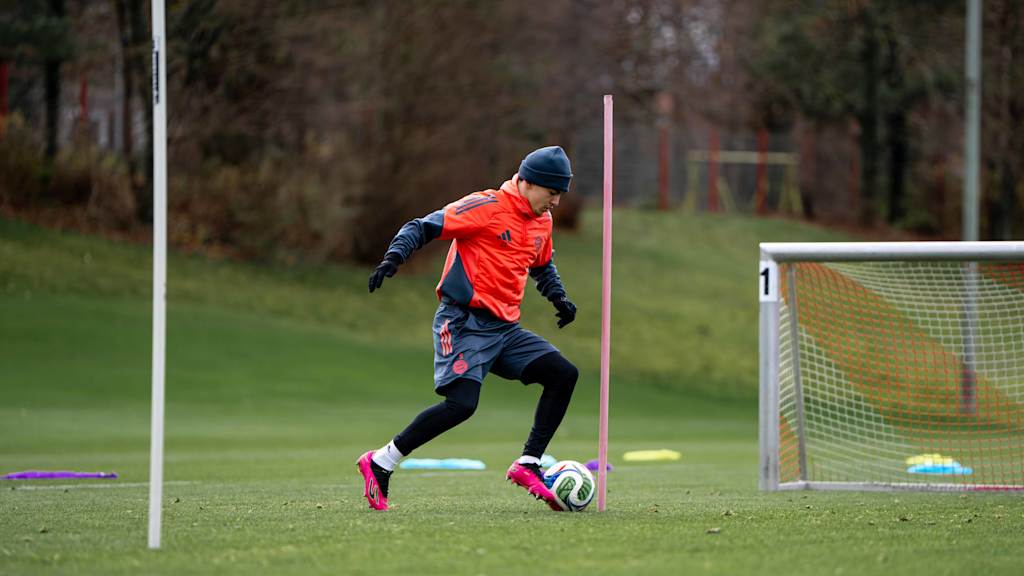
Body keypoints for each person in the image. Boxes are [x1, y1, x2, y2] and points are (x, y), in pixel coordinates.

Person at [357, 146, 580, 512]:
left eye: (560, 194)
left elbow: (541, 264)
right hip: (463, 323)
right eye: (551, 192)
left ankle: (528, 464)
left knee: (563, 374)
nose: (555, 201)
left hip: (506, 329)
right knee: (461, 405)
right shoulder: (486, 207)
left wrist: (559, 298)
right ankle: (381, 461)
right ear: (525, 182)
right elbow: (423, 226)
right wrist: (393, 257)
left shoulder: (542, 222)